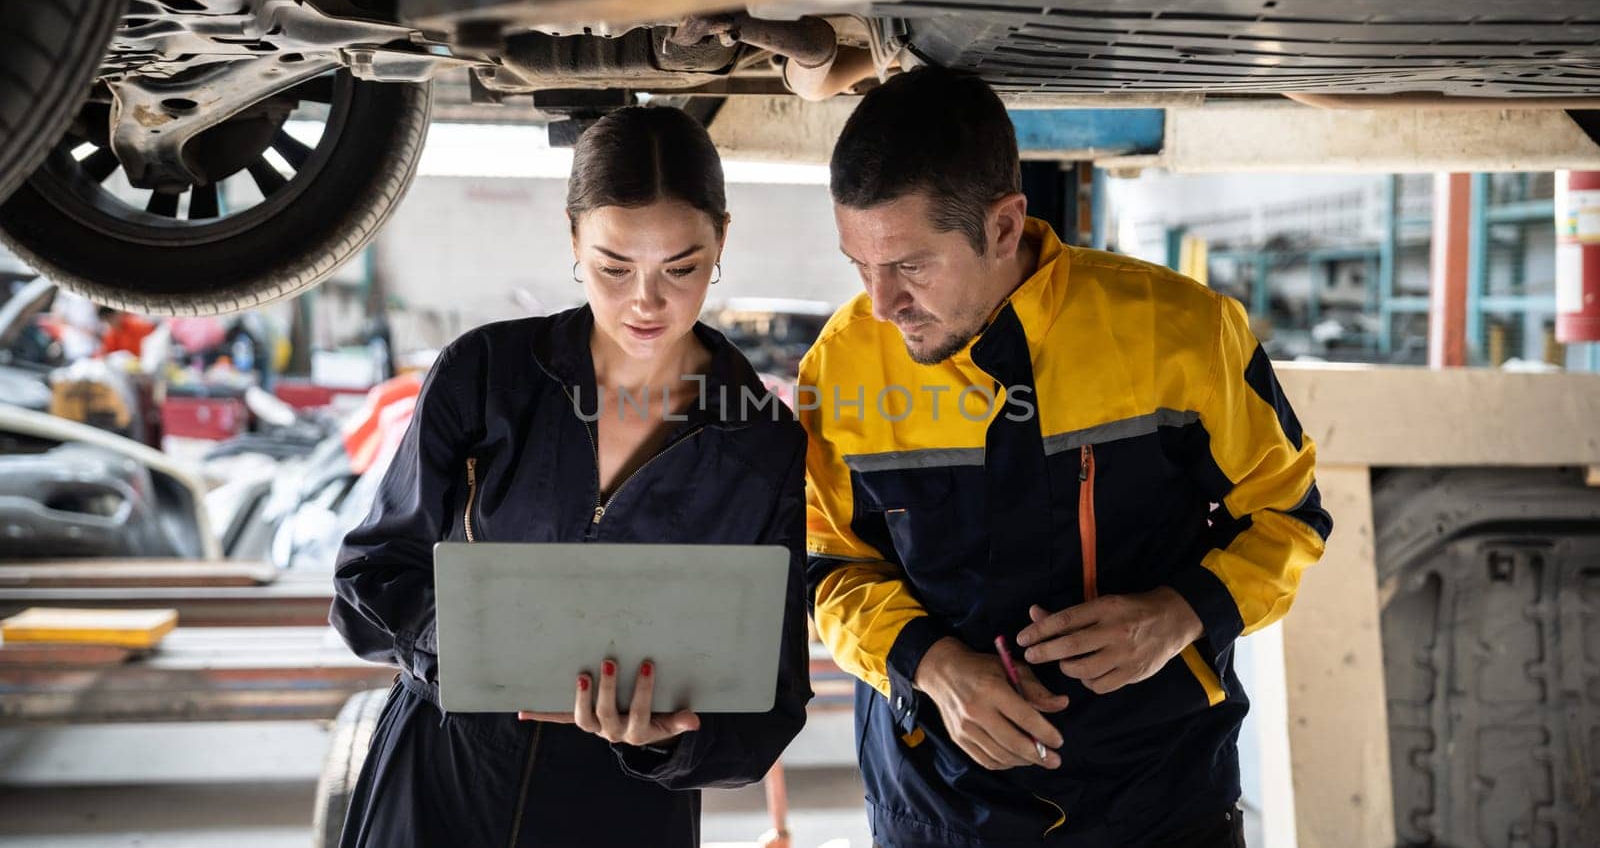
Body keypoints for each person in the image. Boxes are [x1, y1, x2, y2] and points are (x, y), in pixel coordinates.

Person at [801, 67, 1331, 847]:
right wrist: (931, 665)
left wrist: (1182, 614)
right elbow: (825, 568)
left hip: (1162, 800)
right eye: (860, 266)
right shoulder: (842, 365)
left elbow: (1290, 517)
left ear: (1006, 227)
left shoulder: (1180, 332)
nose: (882, 305)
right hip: (939, 811)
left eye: (911, 266)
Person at [330, 106, 812, 848]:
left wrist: (660, 739)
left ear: (722, 237)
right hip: (444, 784)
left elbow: (768, 711)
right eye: (614, 267)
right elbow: (368, 582)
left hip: (623, 811)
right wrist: (476, 646)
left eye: (681, 267)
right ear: (573, 240)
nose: (646, 301)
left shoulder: (761, 442)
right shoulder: (485, 374)